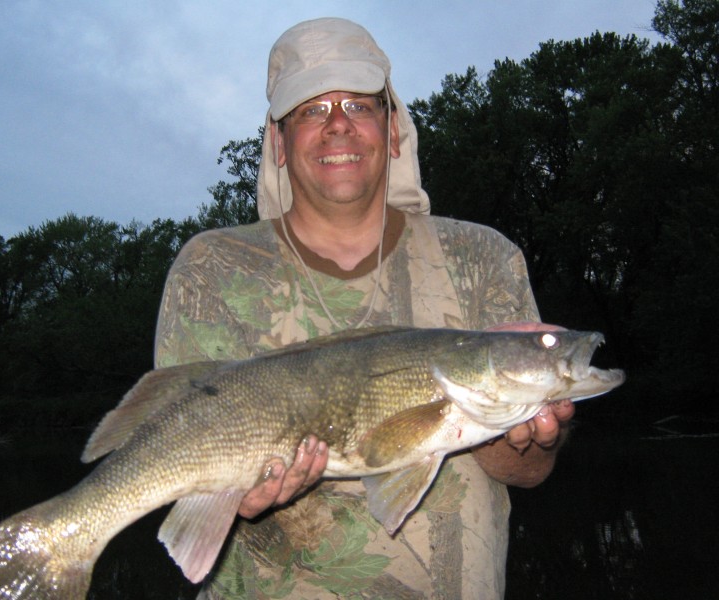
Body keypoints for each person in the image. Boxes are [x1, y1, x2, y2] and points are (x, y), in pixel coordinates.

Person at [155, 17, 574, 600]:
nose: (337, 127)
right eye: (309, 110)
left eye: (358, 104)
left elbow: (527, 470)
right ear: (278, 142)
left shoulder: (482, 257)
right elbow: (176, 455)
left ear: (394, 128)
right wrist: (228, 494)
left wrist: (529, 432)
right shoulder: (212, 269)